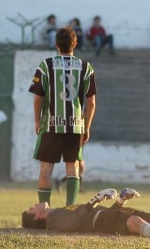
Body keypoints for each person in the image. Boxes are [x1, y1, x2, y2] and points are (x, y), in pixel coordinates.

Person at [29, 26, 97, 207]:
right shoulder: (86, 67)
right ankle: (70, 211)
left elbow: (37, 99)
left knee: (46, 168)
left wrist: (37, 121)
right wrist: (87, 127)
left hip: (51, 124)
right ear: (75, 43)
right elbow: (91, 102)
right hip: (75, 125)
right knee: (72, 167)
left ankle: (44, 211)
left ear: (56, 44)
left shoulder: (46, 66)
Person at [22, 188, 150, 239]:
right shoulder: (54, 219)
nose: (34, 205)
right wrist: (96, 198)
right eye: (32, 209)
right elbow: (73, 222)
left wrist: (120, 201)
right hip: (100, 222)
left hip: (107, 216)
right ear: (37, 217)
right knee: (134, 221)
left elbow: (87, 213)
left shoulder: (59, 211)